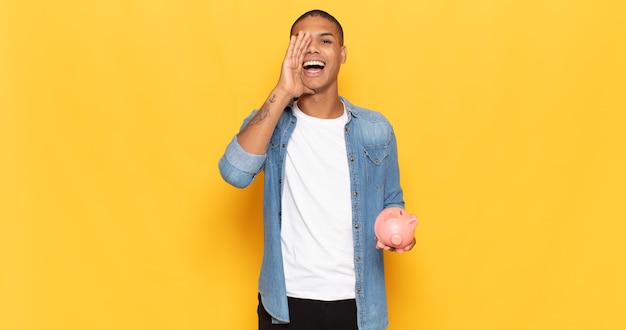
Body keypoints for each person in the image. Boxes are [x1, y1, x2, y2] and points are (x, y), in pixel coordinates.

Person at [218, 9, 415, 330]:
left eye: (324, 40)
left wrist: (399, 231)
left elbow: (393, 201)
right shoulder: (271, 123)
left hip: (359, 303)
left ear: (341, 53)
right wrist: (282, 91)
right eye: (301, 42)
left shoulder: (376, 129)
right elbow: (234, 173)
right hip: (286, 301)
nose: (312, 49)